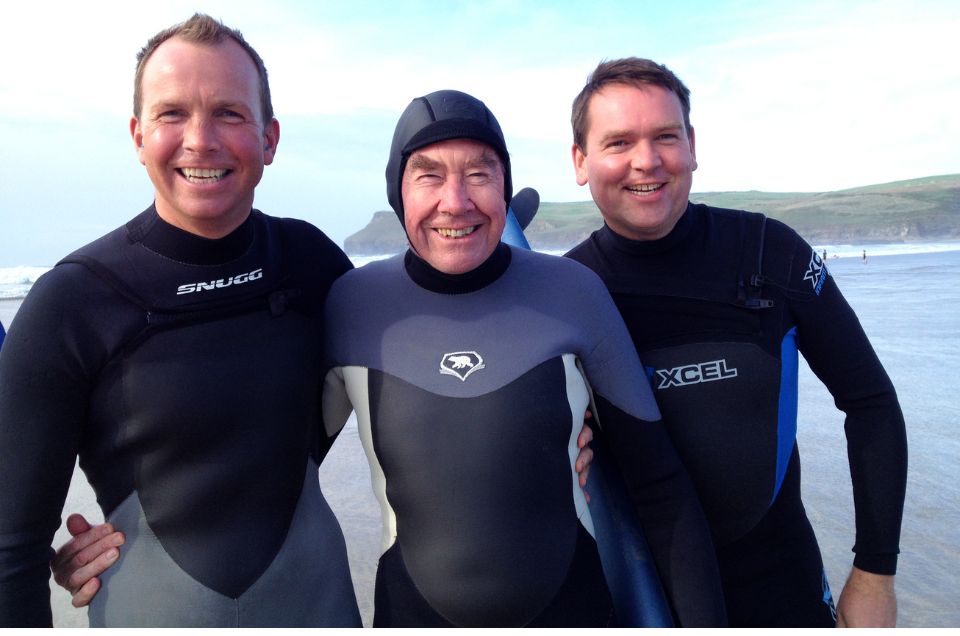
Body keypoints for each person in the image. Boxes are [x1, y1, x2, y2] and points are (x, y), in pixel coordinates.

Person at [0, 14, 361, 627]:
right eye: (172, 113)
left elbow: (419, 379)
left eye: (229, 113)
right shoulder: (72, 303)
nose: (201, 139)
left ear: (270, 139)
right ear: (138, 135)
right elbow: (12, 551)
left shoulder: (313, 264)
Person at [318, 88, 724, 627]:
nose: (456, 202)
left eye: (479, 174)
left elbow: (660, 487)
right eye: (429, 175)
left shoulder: (572, 293)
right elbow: (274, 478)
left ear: (504, 186)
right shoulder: (353, 305)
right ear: (398, 190)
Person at [564, 57, 907, 627]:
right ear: (580, 161)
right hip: (636, 596)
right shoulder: (566, 294)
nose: (646, 160)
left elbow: (870, 402)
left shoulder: (771, 254)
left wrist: (875, 574)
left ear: (692, 146)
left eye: (665, 136)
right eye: (619, 142)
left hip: (782, 586)